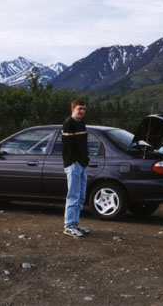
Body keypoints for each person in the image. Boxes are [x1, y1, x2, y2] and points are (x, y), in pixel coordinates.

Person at [62, 99, 91, 237]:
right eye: (80, 108)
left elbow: (84, 144)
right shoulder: (69, 123)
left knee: (81, 196)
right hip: (74, 165)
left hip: (83, 164)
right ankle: (68, 225)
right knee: (73, 195)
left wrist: (86, 159)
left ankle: (76, 223)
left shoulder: (82, 124)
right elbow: (67, 146)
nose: (82, 111)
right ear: (73, 109)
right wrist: (72, 161)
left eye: (84, 109)